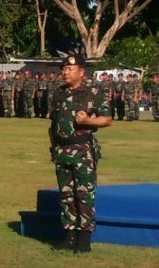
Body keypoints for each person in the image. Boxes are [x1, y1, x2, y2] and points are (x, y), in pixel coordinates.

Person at [49, 54, 111, 254]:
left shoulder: (93, 92)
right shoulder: (58, 93)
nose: (65, 72)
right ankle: (69, 235)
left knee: (84, 194)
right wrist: (53, 147)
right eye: (64, 69)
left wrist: (88, 122)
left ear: (82, 72)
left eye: (70, 69)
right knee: (66, 195)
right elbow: (54, 123)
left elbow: (107, 120)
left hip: (83, 152)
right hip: (61, 151)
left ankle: (84, 239)